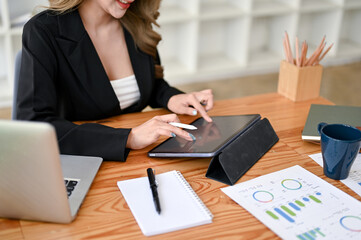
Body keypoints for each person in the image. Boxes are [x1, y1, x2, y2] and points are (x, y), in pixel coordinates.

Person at [16, 0, 214, 161]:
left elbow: (149, 84)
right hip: (80, 159)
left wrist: (172, 98)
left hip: (138, 159)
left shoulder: (135, 21)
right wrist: (129, 138)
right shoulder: (43, 30)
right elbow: (35, 125)